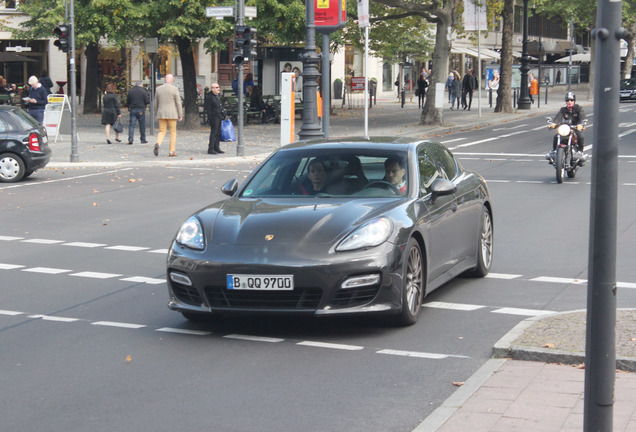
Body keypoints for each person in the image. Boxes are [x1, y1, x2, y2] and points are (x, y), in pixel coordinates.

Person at [153, 73, 183, 157]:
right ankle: (171, 151)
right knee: (173, 132)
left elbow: (156, 102)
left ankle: (158, 143)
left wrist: (155, 113)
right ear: (171, 80)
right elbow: (178, 102)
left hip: (161, 113)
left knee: (162, 131)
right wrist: (180, 114)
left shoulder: (158, 89)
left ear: (165, 80)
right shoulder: (174, 89)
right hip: (172, 113)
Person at [204, 82, 225, 155]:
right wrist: (210, 118)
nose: (218, 88)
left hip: (218, 116)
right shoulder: (210, 97)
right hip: (214, 116)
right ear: (212, 89)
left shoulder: (217, 96)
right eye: (216, 87)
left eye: (218, 87)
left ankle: (217, 147)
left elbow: (220, 105)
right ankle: (211, 148)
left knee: (218, 132)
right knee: (214, 133)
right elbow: (208, 109)